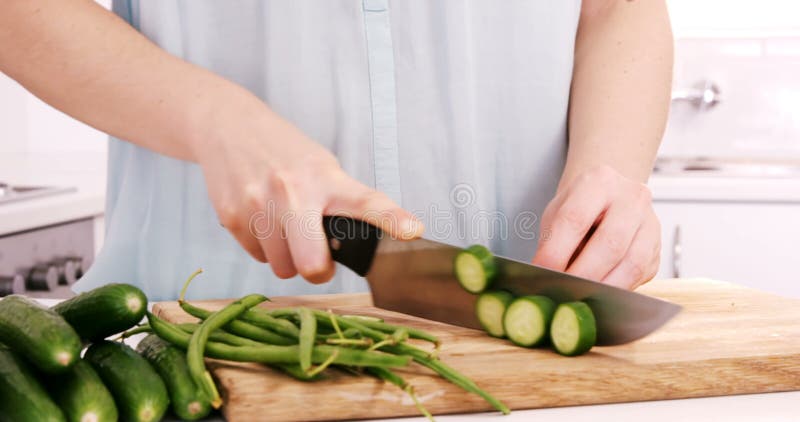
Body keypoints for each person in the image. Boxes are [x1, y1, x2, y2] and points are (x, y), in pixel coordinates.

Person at [0, 1, 673, 300]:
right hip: (208, 334)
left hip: (528, 348)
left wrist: (608, 165)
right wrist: (213, 116)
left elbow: (617, 5)